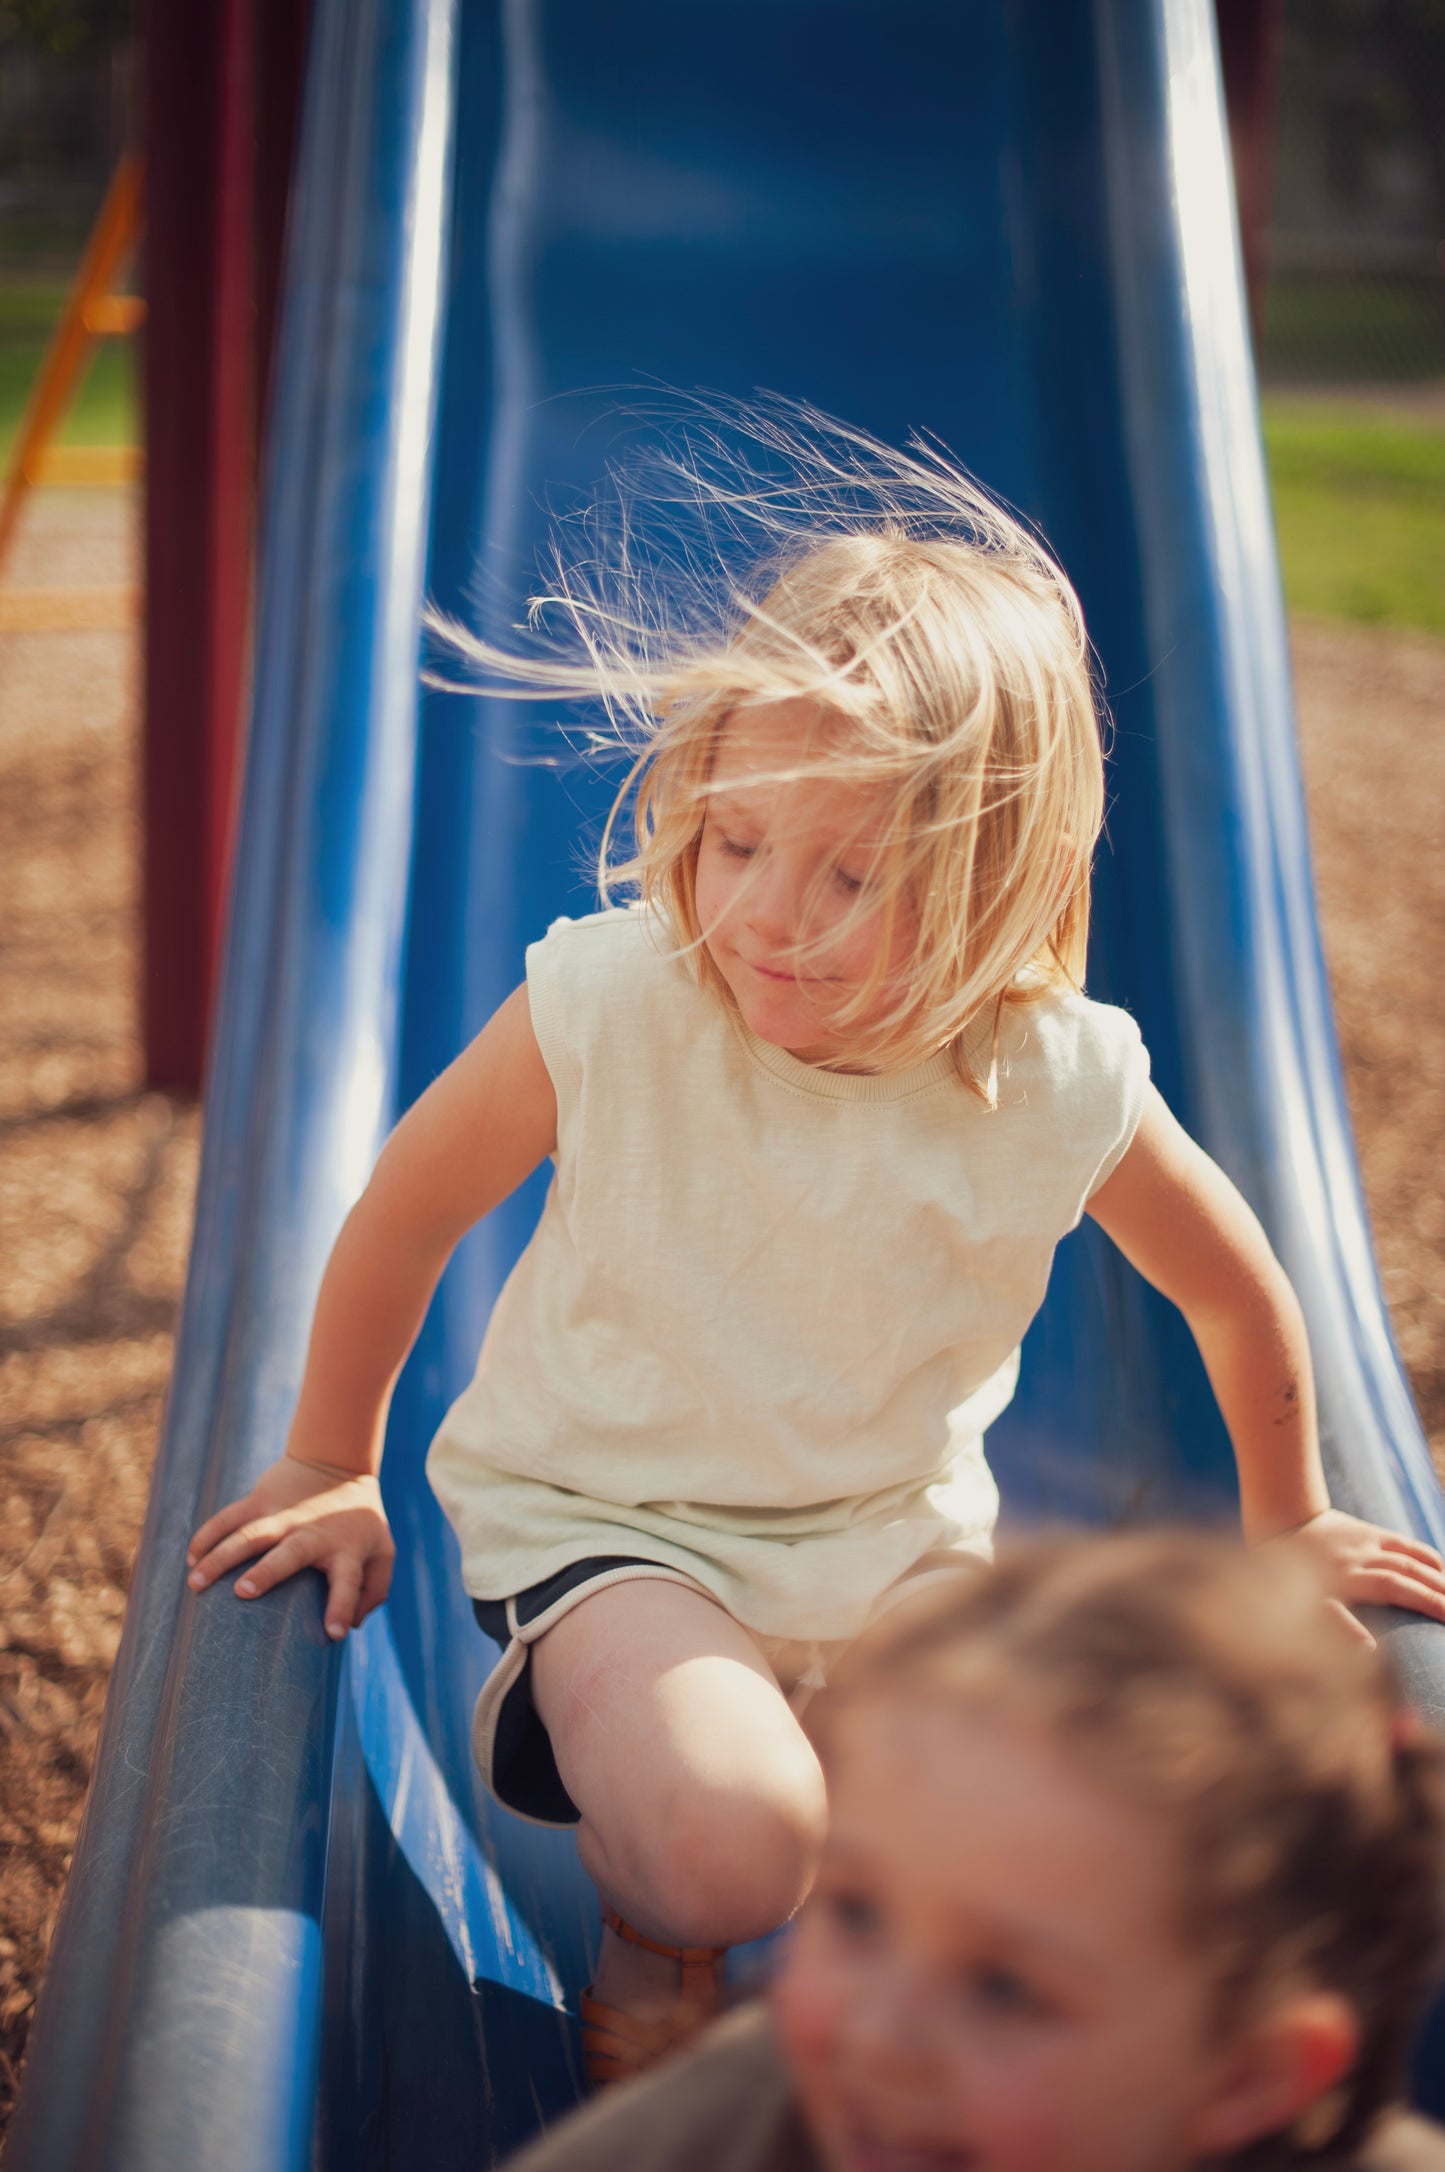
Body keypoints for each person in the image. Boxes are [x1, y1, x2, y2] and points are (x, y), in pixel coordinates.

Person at [183, 400, 1445, 2082]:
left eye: (854, 874)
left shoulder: (1055, 1074)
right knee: (731, 1841)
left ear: (997, 882)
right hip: (617, 1521)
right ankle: (660, 1936)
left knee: (1036, 1820)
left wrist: (1287, 1518)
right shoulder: (618, 1000)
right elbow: (408, 1209)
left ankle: (864, 2012)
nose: (768, 914)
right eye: (736, 840)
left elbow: (1231, 1286)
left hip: (900, 1543)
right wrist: (332, 1455)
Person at [500, 1532, 1445, 2172]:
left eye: (1003, 1988)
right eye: (859, 1913)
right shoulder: (758, 2106)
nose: (877, 2032)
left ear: (1245, 2078)